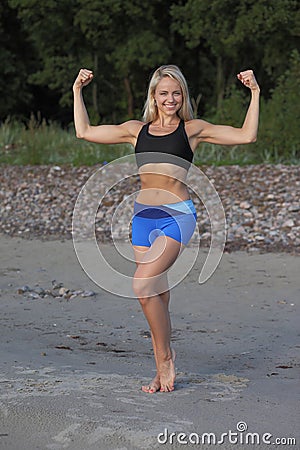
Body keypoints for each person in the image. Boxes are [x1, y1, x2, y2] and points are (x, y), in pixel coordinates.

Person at [73, 64, 260, 393]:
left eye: (176, 93)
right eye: (164, 93)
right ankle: (161, 367)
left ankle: (166, 360)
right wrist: (77, 91)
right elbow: (84, 131)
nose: (170, 99)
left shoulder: (193, 130)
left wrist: (255, 93)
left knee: (141, 285)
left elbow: (247, 135)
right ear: (154, 97)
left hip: (177, 215)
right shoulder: (136, 130)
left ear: (183, 96)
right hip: (143, 219)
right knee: (155, 295)